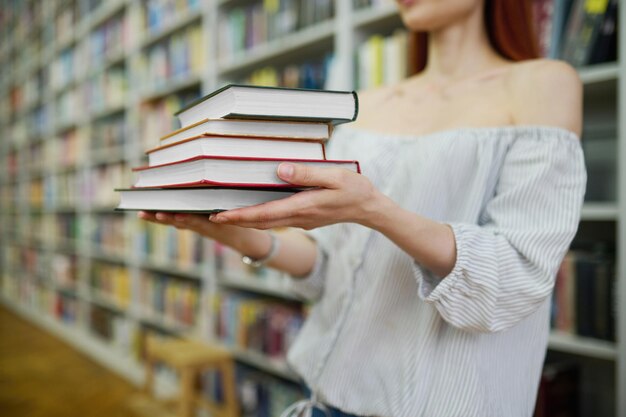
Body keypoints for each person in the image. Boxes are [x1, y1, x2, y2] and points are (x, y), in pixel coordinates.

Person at [139, 0, 587, 415]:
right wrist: (235, 231)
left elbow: (517, 278)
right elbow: (330, 270)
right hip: (325, 399)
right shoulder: (367, 103)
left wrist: (377, 211)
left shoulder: (541, 84)